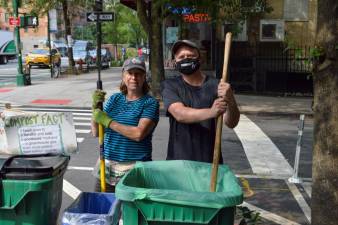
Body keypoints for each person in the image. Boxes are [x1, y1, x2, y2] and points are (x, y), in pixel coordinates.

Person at [161, 40, 240, 163]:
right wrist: (212, 112)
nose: (186, 59)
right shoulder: (170, 86)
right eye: (181, 57)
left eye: (190, 56)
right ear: (175, 62)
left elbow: (231, 123)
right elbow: (179, 114)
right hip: (178, 163)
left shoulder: (217, 86)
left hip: (210, 163)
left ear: (200, 59)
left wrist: (230, 100)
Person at [91, 57, 159, 192]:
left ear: (144, 77)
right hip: (107, 167)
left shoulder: (150, 103)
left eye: (138, 74)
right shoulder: (115, 99)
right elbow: (96, 133)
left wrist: (108, 122)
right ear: (123, 75)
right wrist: (95, 109)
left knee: (131, 212)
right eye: (130, 73)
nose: (134, 77)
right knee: (103, 210)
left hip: (134, 170)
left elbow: (138, 134)